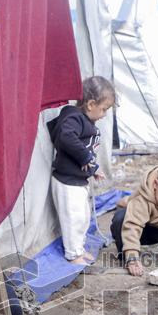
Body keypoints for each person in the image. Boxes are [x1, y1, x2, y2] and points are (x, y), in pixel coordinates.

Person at [49, 76, 116, 266]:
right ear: (91, 104)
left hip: (79, 180)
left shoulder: (85, 121)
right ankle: (73, 254)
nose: (104, 115)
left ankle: (78, 247)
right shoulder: (73, 118)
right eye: (103, 109)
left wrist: (93, 168)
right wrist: (86, 158)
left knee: (83, 217)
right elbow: (67, 137)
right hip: (67, 181)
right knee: (73, 218)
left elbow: (84, 151)